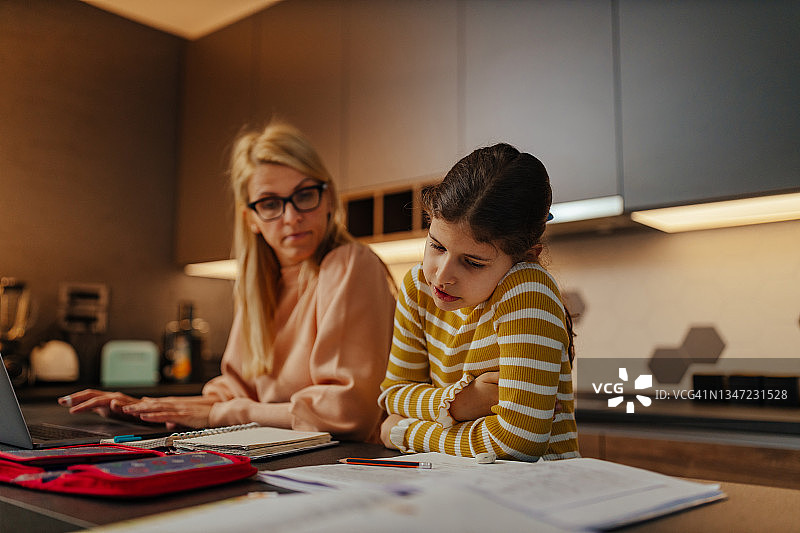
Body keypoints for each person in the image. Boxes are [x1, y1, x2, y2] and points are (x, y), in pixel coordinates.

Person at [60, 121, 396, 442]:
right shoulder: (261, 287)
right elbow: (234, 395)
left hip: (351, 464)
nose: (292, 217)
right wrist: (145, 408)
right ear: (250, 217)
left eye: (305, 194)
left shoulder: (350, 264)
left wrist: (224, 415)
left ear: (328, 197)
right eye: (270, 203)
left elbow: (348, 411)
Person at [378, 143, 579, 460]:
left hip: (535, 494)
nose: (442, 276)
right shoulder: (418, 287)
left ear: (524, 258)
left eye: (472, 262)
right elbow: (394, 394)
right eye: (437, 246)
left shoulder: (527, 289)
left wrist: (403, 431)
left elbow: (517, 443)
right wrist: (463, 402)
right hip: (452, 487)